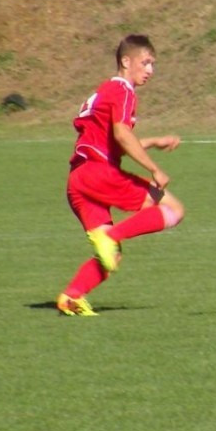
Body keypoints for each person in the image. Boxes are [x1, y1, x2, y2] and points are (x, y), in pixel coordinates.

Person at [57, 34, 185, 316]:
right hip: (98, 173)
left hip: (78, 179)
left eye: (153, 64)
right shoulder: (124, 90)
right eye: (146, 62)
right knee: (173, 208)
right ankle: (112, 236)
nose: (150, 70)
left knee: (111, 256)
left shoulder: (105, 89)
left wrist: (153, 141)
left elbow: (113, 142)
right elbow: (122, 134)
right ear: (126, 61)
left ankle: (71, 297)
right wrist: (154, 168)